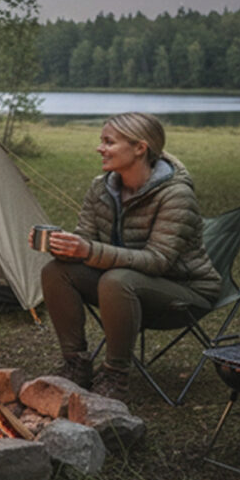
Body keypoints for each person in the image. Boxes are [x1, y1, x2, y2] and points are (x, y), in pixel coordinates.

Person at [34, 112, 221, 401]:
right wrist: (66, 245)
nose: (100, 148)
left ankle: (115, 375)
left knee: (116, 280)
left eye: (109, 142)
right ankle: (75, 365)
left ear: (139, 148)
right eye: (101, 141)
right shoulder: (102, 187)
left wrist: (89, 251)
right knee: (56, 271)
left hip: (185, 290)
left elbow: (159, 260)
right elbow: (87, 236)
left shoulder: (175, 195)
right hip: (123, 287)